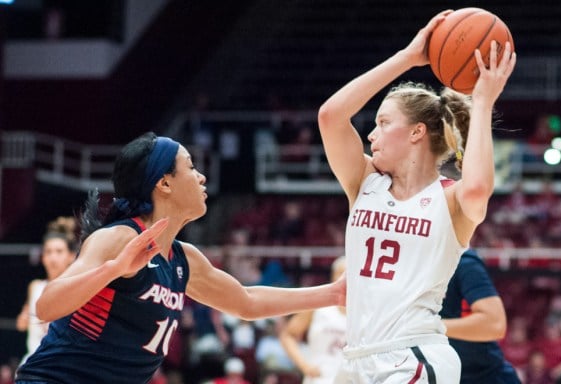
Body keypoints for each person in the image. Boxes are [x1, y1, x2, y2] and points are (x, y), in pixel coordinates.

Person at [14, 133, 346, 384]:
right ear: (164, 183)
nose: (201, 176)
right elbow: (46, 306)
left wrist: (332, 294)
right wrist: (114, 269)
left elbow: (247, 301)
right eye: (190, 166)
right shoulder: (119, 239)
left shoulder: (184, 259)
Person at [317, 9, 515, 383]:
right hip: (356, 358)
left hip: (413, 357)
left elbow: (476, 187)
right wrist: (408, 56)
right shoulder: (364, 181)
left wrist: (484, 102)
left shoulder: (451, 201)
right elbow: (330, 116)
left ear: (416, 133)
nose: (372, 135)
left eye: (383, 123)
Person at [440, 249, 521, 383]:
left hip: (484, 375)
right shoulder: (410, 266)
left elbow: (494, 324)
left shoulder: (463, 263)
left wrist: (431, 327)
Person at [16, 217, 77, 362]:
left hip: (62, 362)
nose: (52, 257)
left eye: (58, 251)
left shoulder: (75, 287)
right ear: (43, 257)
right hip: (33, 360)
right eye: (48, 252)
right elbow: (21, 324)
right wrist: (24, 319)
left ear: (71, 256)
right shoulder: (35, 286)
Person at [280, 257, 347, 384]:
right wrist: (304, 366)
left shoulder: (364, 312)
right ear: (333, 277)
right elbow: (288, 335)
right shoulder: (318, 306)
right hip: (319, 379)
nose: (345, 279)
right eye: (341, 273)